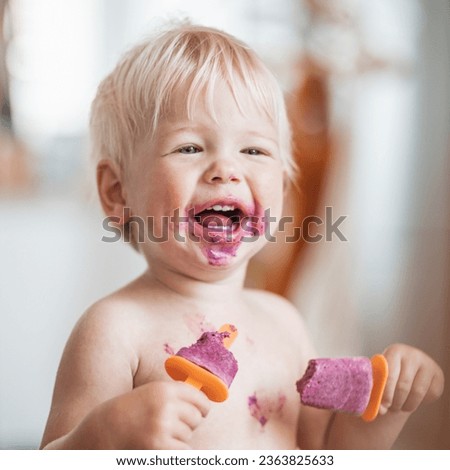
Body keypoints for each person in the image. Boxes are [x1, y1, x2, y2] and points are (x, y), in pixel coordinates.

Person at [40, 23, 444, 450]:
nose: (226, 169)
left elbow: (323, 453)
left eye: (254, 151)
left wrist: (385, 407)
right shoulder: (114, 330)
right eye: (190, 147)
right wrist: (101, 434)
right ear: (118, 191)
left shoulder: (284, 322)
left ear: (284, 192)